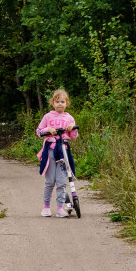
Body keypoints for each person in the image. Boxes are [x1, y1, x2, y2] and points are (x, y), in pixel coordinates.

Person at [36, 88, 79, 217]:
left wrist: (72, 128)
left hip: (63, 151)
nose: (60, 104)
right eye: (57, 101)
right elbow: (39, 131)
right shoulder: (48, 116)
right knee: (50, 181)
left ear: (67, 103)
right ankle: (46, 207)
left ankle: (60, 208)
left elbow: (73, 136)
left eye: (62, 101)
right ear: (53, 103)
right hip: (50, 151)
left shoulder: (69, 118)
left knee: (61, 181)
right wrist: (48, 129)